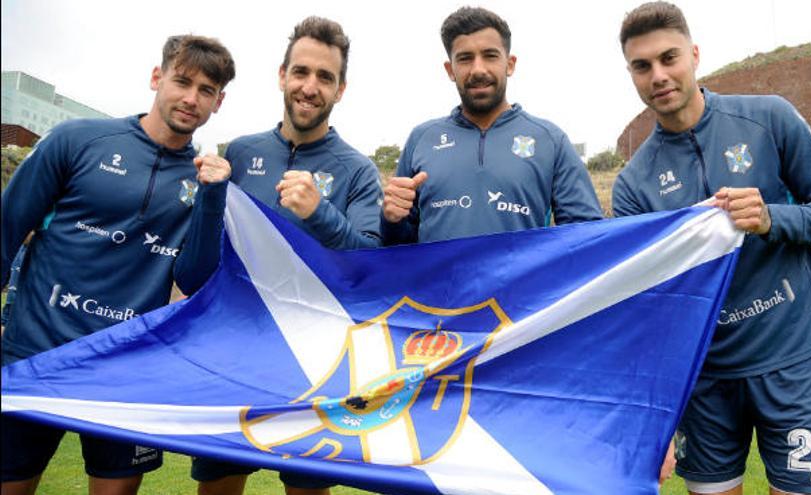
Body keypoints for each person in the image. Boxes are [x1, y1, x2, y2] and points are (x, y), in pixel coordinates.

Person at [613, 3, 811, 494]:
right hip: (705, 383)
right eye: (642, 66)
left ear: (695, 55)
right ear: (631, 75)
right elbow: (645, 310)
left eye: (669, 58)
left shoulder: (768, 118)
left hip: (791, 363)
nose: (659, 75)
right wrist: (656, 418)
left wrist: (774, 217)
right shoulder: (633, 183)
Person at [1, 34, 236, 495]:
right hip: (35, 355)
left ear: (218, 102)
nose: (191, 98)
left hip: (125, 370)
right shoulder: (77, 140)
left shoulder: (206, 178)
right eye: (182, 81)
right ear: (157, 77)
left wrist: (212, 199)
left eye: (206, 90)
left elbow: (194, 278)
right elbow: (7, 230)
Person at [190, 16, 381, 495]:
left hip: (316, 362)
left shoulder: (357, 170)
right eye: (301, 72)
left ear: (341, 90)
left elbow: (369, 268)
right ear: (282, 75)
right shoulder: (242, 151)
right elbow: (202, 264)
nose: (309, 87)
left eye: (325, 77)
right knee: (217, 486)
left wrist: (321, 213)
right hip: (233, 354)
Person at [381, 6, 603, 245]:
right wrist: (390, 219)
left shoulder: (551, 140)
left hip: (523, 284)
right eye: (465, 58)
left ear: (510, 64)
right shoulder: (421, 139)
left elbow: (587, 240)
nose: (478, 69)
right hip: (440, 284)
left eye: (490, 55)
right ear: (450, 70)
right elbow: (397, 246)